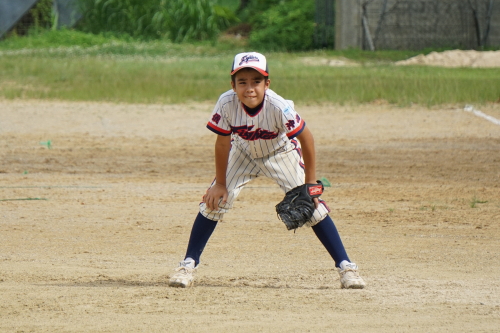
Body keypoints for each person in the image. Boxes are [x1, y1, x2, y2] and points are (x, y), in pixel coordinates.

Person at [169, 52, 366, 289]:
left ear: (267, 83)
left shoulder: (278, 106)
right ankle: (188, 264)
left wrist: (311, 182)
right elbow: (222, 143)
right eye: (242, 82)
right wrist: (220, 184)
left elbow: (307, 138)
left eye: (256, 81)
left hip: (280, 153)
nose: (249, 88)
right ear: (233, 85)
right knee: (214, 202)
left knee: (311, 206)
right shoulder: (226, 103)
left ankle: (346, 267)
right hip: (241, 152)